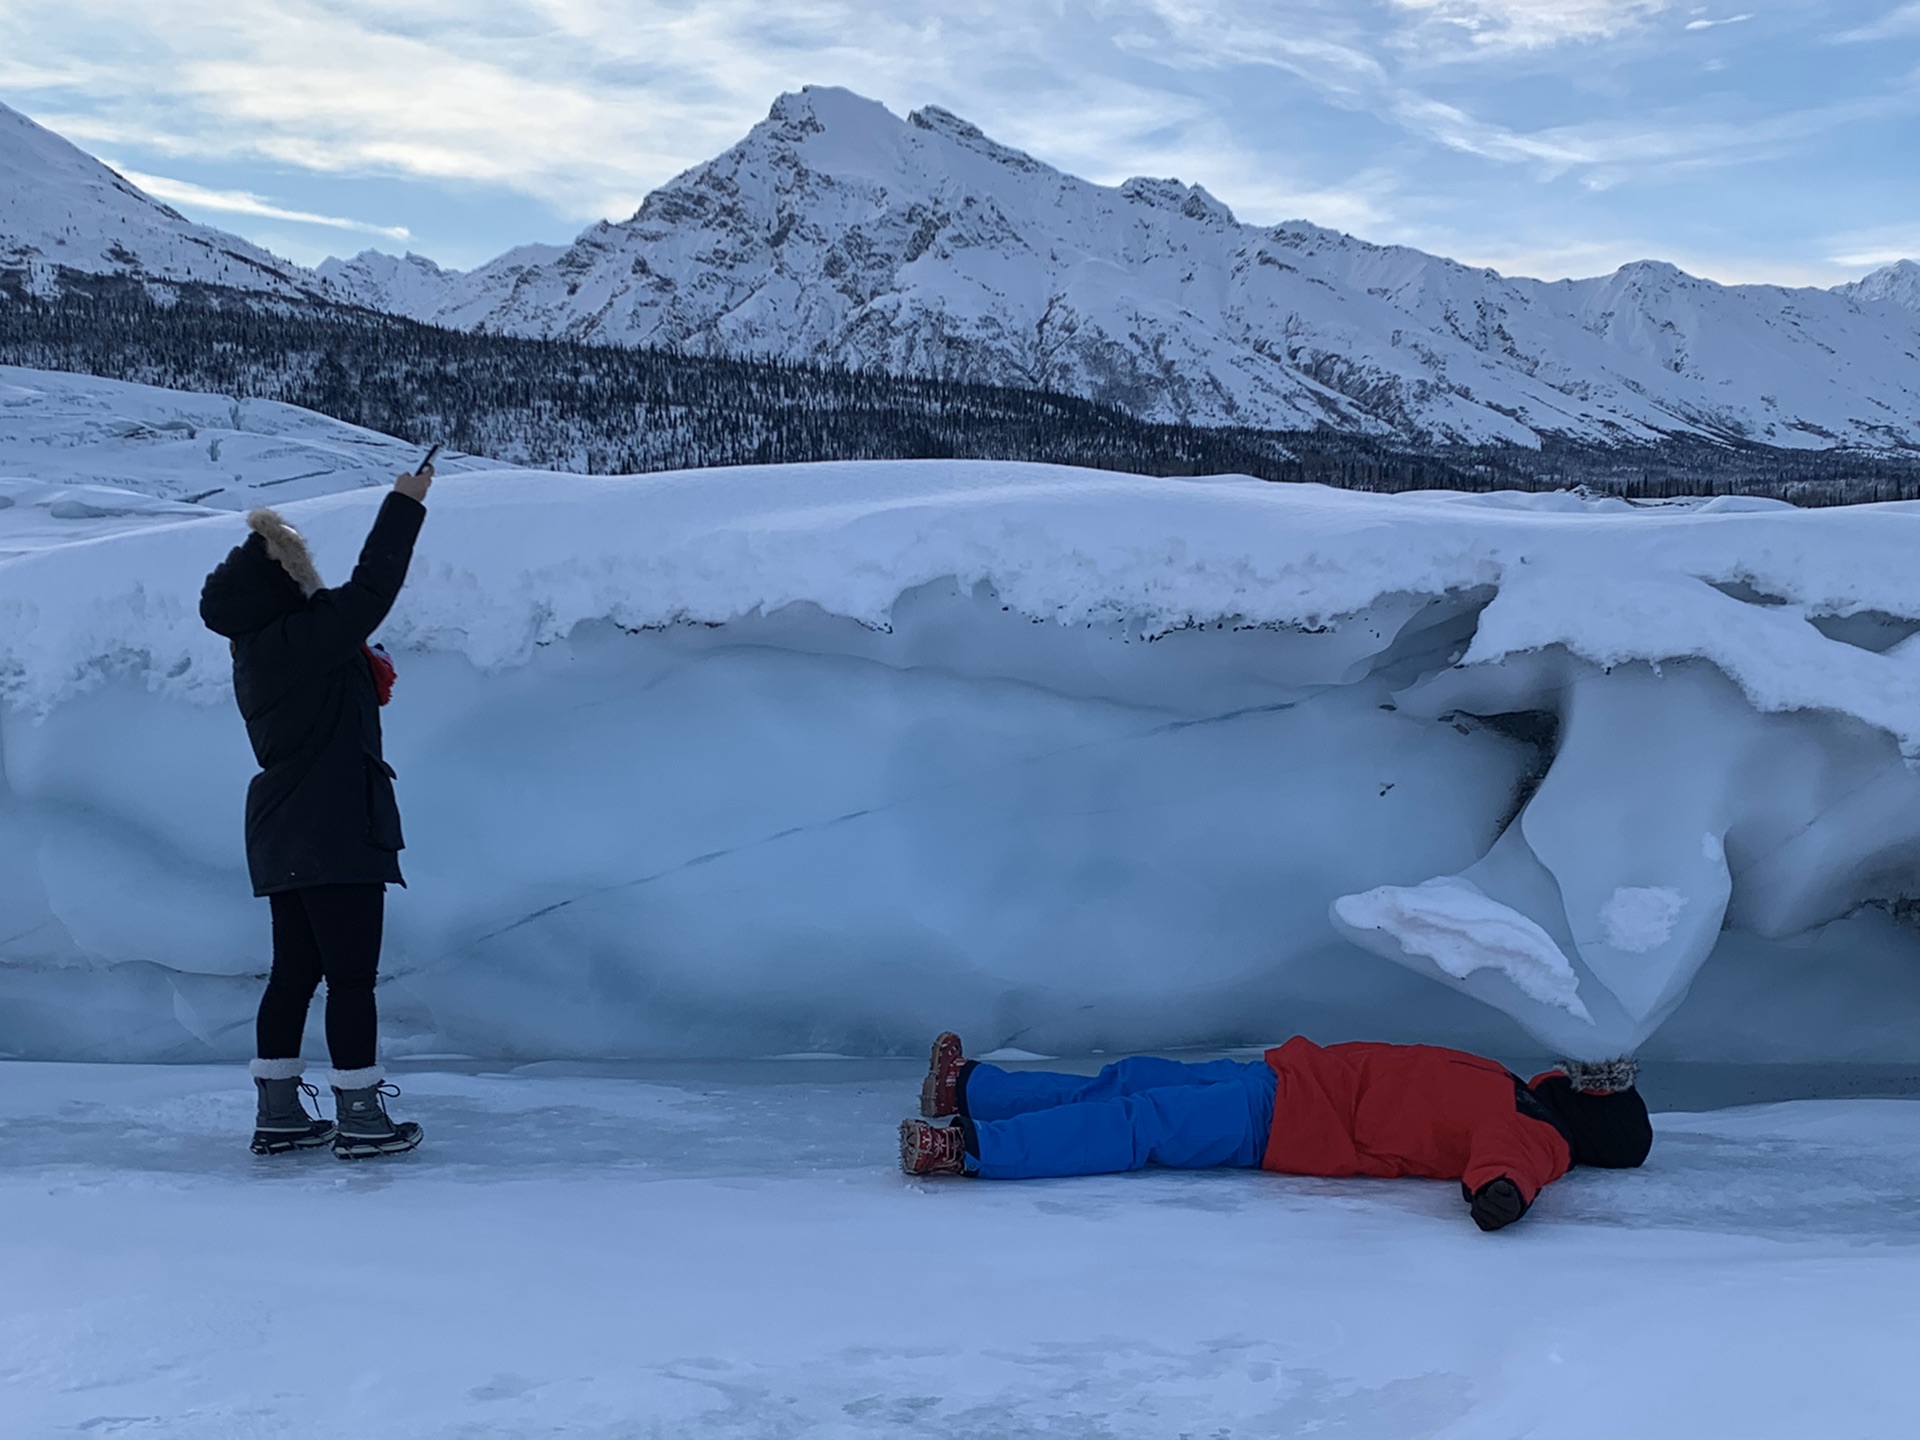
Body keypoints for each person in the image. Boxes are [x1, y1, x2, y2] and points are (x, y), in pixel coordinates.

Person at [199, 464, 434, 1159]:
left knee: (295, 975)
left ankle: (278, 1114)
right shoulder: (301, 643)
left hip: (284, 831)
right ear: (279, 590)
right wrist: (404, 503)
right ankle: (360, 1117)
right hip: (334, 824)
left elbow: (347, 610)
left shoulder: (260, 651)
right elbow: (371, 588)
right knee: (351, 978)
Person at [899, 1033, 1650, 1230]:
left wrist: (1502, 1197)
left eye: (1603, 1088)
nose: (1591, 1076)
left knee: (1138, 1125)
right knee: (1131, 1082)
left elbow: (1509, 1165)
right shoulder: (1515, 1086)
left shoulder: (1536, 1133)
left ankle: (971, 1152)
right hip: (1286, 1077)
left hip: (1290, 1121)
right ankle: (972, 1090)